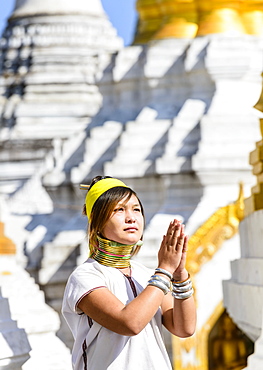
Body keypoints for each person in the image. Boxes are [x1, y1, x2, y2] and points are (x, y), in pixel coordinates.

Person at [62, 176, 196, 370]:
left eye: (136, 209)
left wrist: (179, 274)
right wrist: (165, 270)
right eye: (119, 210)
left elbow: (184, 328)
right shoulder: (85, 276)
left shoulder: (146, 275)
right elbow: (130, 323)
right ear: (97, 222)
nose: (131, 217)